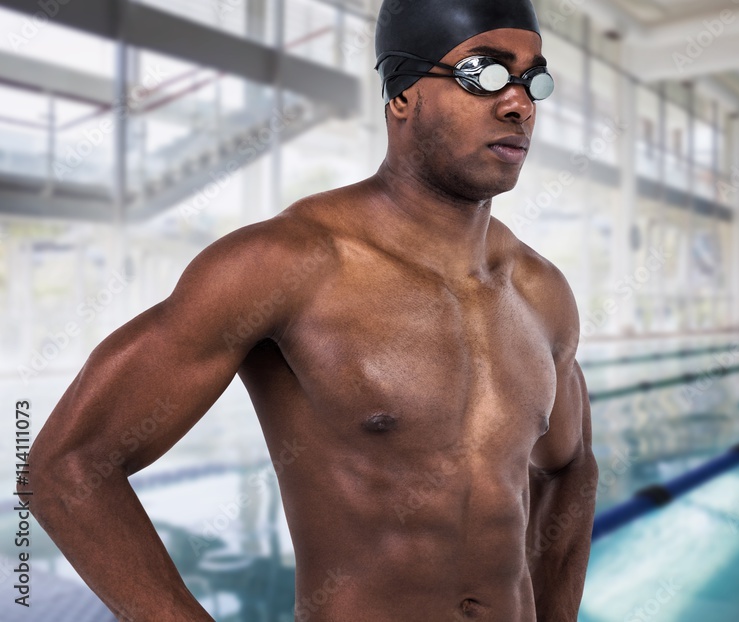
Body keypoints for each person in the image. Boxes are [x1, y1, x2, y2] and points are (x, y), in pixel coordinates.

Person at [22, 0, 599, 620]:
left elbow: (568, 469)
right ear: (402, 93)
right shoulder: (285, 265)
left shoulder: (541, 292)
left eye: (530, 78)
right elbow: (68, 466)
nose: (518, 103)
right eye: (483, 74)